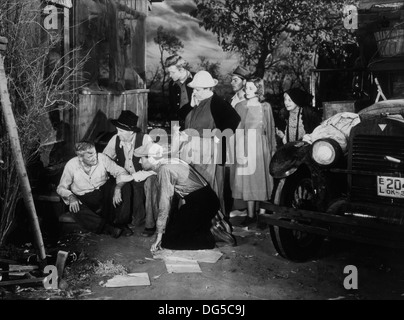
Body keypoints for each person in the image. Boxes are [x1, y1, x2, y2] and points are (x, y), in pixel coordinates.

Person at [134, 143, 237, 252]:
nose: (139, 161)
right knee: (174, 231)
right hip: (205, 201)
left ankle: (213, 237)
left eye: (141, 158)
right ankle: (209, 225)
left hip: (200, 204)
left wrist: (159, 235)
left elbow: (164, 204)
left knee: (169, 241)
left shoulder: (165, 170)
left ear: (151, 158)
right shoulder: (170, 161)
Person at [174, 70, 240, 216]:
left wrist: (219, 136)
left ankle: (214, 227)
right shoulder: (197, 102)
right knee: (192, 189)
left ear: (207, 89)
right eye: (194, 90)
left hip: (209, 155)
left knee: (209, 189)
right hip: (192, 154)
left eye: (197, 90)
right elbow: (179, 116)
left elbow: (234, 120)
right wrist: (191, 105)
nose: (195, 92)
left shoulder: (217, 103)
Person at [57, 141, 134, 238]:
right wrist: (71, 196)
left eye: (95, 153)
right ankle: (108, 228)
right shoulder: (71, 165)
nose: (95, 158)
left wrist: (118, 188)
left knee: (125, 186)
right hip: (85, 198)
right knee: (75, 209)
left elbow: (122, 172)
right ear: (80, 158)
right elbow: (61, 188)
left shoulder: (102, 158)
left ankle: (121, 223)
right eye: (90, 157)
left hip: (104, 194)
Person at [231, 78, 277, 226]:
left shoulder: (266, 107)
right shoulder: (240, 106)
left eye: (251, 88)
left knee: (262, 179)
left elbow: (270, 130)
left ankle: (262, 216)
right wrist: (237, 150)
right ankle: (250, 215)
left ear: (259, 89)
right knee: (249, 181)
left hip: (262, 148)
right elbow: (237, 130)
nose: (247, 90)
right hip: (246, 146)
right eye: (246, 88)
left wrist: (272, 150)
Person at [102, 110, 157, 236]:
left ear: (131, 131)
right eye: (117, 130)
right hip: (126, 178)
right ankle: (120, 222)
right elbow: (105, 159)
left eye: (121, 131)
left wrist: (134, 176)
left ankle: (151, 224)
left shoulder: (145, 139)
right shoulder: (115, 139)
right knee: (116, 186)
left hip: (144, 176)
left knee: (151, 183)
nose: (118, 133)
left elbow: (154, 167)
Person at [227, 65, 250, 218]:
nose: (232, 83)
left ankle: (245, 209)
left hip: (245, 141)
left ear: (244, 81)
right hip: (232, 140)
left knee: (244, 174)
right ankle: (238, 206)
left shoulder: (250, 101)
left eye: (235, 80)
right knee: (233, 174)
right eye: (232, 80)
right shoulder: (232, 99)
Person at [165, 55, 194, 129]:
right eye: (169, 73)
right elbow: (172, 107)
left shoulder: (196, 79)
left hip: (195, 124)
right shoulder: (171, 84)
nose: (170, 76)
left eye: (172, 72)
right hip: (177, 125)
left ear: (181, 69)